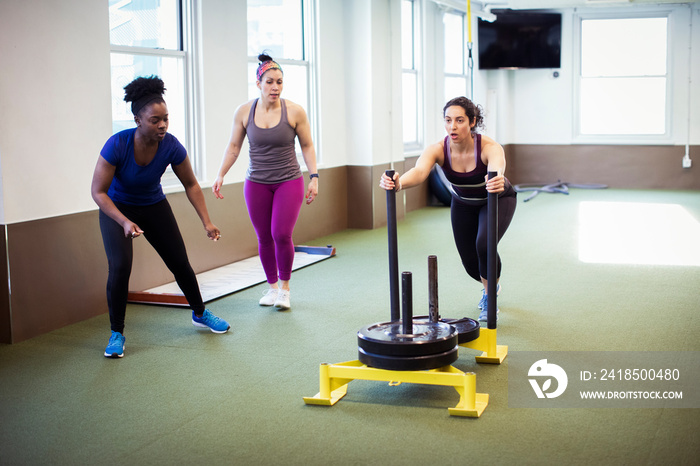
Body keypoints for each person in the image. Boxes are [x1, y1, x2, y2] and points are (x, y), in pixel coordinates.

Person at [91, 76, 230, 359]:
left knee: (179, 262)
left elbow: (191, 184)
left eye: (165, 119)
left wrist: (207, 221)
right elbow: (98, 192)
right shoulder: (117, 144)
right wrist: (124, 221)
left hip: (154, 206)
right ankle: (116, 332)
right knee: (120, 266)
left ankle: (200, 313)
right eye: (155, 120)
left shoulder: (171, 146)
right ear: (137, 120)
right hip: (117, 208)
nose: (163, 125)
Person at [379, 96, 516, 322]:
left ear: (472, 122)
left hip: (497, 199)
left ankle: (489, 296)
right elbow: (419, 171)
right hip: (463, 203)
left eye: (460, 120)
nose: (453, 126)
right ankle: (491, 284)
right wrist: (398, 183)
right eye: (448, 120)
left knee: (484, 244)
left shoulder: (489, 147)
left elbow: (497, 165)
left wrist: (497, 177)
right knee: (470, 262)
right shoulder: (438, 149)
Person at [213, 53, 318, 311]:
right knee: (263, 237)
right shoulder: (244, 112)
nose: (275, 87)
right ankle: (272, 288)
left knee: (281, 233)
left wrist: (314, 176)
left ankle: (285, 289)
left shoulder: (294, 111)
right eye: (270, 82)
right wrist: (221, 174)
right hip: (256, 182)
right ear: (258, 83)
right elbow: (234, 147)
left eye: (280, 82)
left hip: (288, 180)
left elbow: (307, 145)